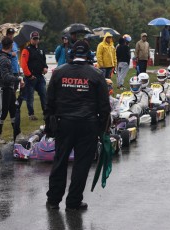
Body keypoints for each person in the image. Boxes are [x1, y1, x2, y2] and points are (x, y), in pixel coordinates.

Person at [44, 40, 110, 211]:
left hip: (63, 123)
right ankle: (73, 202)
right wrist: (103, 129)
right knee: (81, 163)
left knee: (60, 161)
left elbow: (49, 102)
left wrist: (49, 125)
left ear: (72, 54)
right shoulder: (96, 74)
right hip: (87, 124)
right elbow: (104, 107)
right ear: (88, 55)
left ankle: (53, 200)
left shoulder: (59, 72)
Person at [0, 37, 25, 144]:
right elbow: (5, 77)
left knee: (13, 110)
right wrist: (18, 78)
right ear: (10, 46)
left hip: (9, 87)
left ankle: (17, 133)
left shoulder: (5, 57)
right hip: (3, 88)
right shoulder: (4, 59)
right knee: (2, 112)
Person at [20, 31, 48, 120]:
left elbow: (44, 62)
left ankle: (46, 113)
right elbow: (23, 64)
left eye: (37, 38)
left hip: (40, 76)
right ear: (31, 39)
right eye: (34, 38)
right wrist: (29, 75)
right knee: (30, 97)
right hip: (30, 78)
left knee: (44, 95)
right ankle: (31, 114)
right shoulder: (26, 50)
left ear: (39, 39)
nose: (36, 40)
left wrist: (45, 67)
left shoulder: (41, 50)